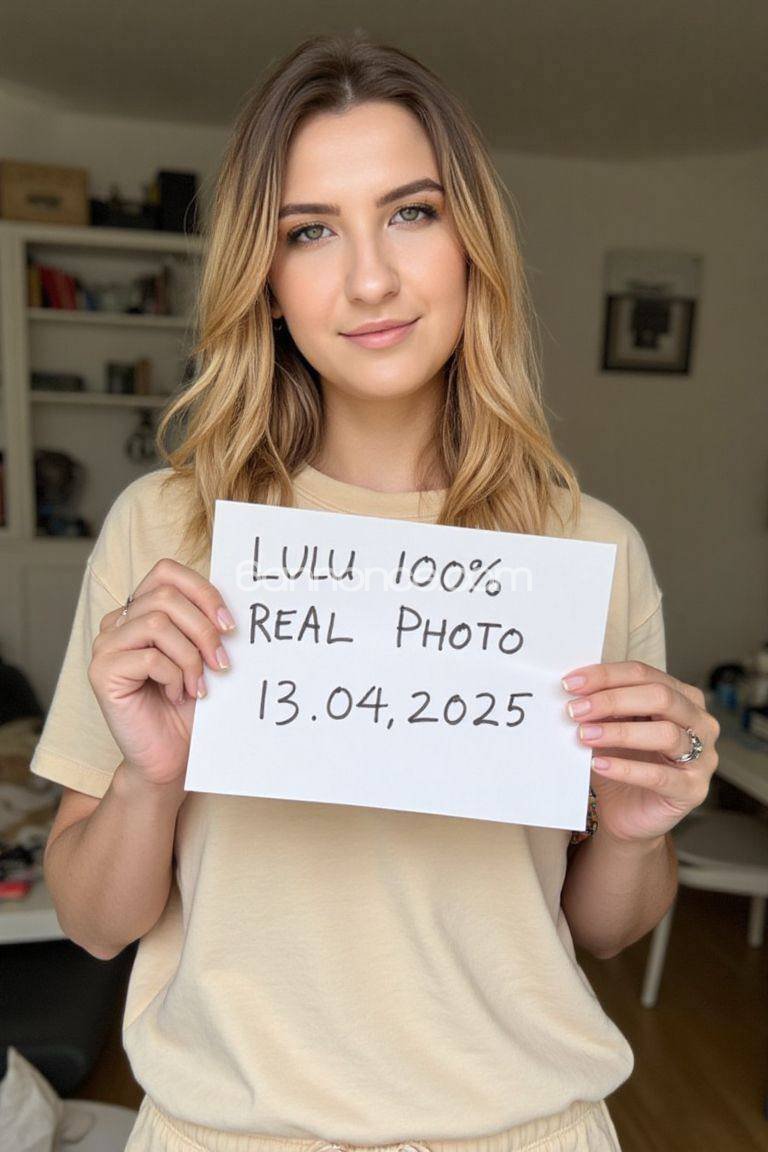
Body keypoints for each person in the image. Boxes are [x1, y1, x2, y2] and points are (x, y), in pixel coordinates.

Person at [31, 31, 720, 1152]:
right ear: (264, 279)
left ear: (473, 243)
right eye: (309, 230)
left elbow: (602, 930)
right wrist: (152, 782)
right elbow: (97, 925)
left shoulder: (587, 551)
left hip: (527, 1130)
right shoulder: (168, 532)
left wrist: (639, 836)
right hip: (225, 1135)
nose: (369, 279)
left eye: (411, 213)